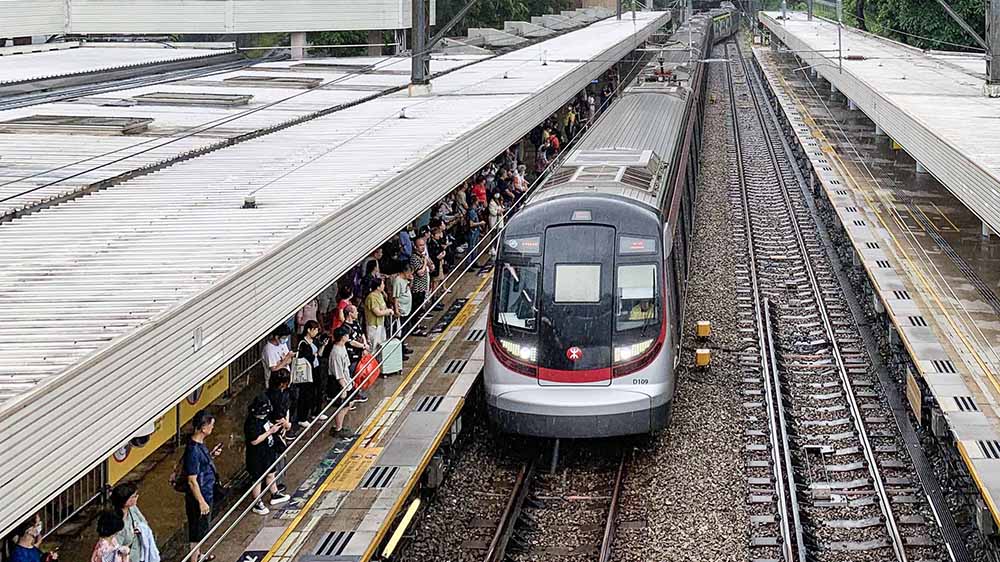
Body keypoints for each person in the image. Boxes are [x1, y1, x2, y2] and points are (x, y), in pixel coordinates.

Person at [182, 410, 221, 562]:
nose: (212, 428)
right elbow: (192, 480)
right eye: (211, 425)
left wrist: (211, 456)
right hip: (200, 495)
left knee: (202, 528)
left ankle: (199, 555)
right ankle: (194, 558)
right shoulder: (193, 450)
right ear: (203, 427)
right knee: (197, 530)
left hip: (206, 491)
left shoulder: (199, 445)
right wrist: (201, 501)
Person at [244, 396, 291, 515]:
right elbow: (254, 440)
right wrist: (270, 432)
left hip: (268, 451)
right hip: (256, 455)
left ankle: (274, 493)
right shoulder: (251, 423)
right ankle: (257, 501)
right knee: (257, 478)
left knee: (271, 473)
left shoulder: (265, 418)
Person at [110, 485, 159, 562]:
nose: (137, 497)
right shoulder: (117, 523)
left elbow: (143, 521)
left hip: (139, 554)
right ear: (125, 500)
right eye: (134, 496)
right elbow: (115, 547)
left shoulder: (133, 508)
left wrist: (141, 529)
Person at [295, 320, 328, 425]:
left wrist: (323, 346)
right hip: (306, 371)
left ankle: (316, 412)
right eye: (315, 330)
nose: (316, 332)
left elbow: (319, 354)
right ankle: (302, 418)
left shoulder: (314, 341)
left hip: (316, 369)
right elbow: (307, 357)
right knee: (306, 394)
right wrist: (314, 355)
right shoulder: (302, 343)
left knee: (318, 391)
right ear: (309, 330)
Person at [329, 327, 354, 435]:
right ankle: (338, 429)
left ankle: (340, 425)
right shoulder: (336, 353)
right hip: (339, 382)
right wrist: (344, 387)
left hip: (346, 378)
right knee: (342, 405)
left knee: (349, 403)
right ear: (343, 337)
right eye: (347, 335)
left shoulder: (342, 347)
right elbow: (338, 373)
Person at [363, 276, 393, 355]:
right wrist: (388, 311)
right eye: (382, 284)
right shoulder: (371, 297)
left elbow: (384, 307)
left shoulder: (380, 295)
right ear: (378, 287)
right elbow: (377, 312)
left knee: (382, 344)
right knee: (374, 347)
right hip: (373, 326)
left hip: (381, 324)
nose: (384, 286)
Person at [391, 265, 414, 358]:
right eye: (410, 273)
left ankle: (403, 347)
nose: (411, 275)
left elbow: (408, 288)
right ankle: (400, 351)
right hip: (402, 309)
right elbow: (395, 297)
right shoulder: (397, 281)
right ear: (405, 272)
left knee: (406, 328)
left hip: (407, 308)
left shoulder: (406, 280)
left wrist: (411, 281)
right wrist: (396, 310)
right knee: (402, 331)